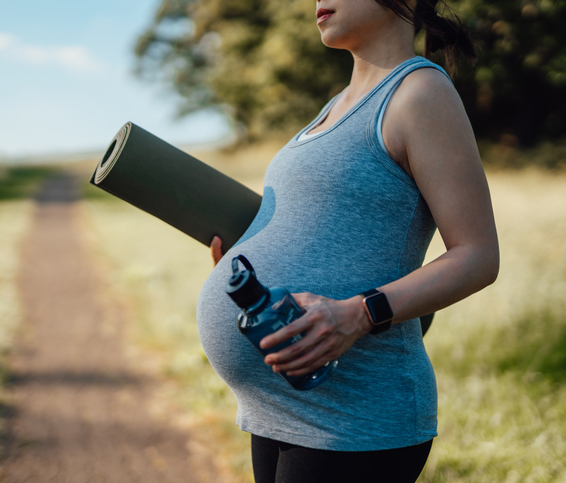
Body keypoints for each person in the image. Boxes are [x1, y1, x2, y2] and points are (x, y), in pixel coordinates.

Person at [196, 0, 499, 481]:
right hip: (279, 404)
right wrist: (244, 255)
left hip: (353, 417)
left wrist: (359, 313)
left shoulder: (420, 92)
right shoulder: (334, 106)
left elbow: (478, 256)